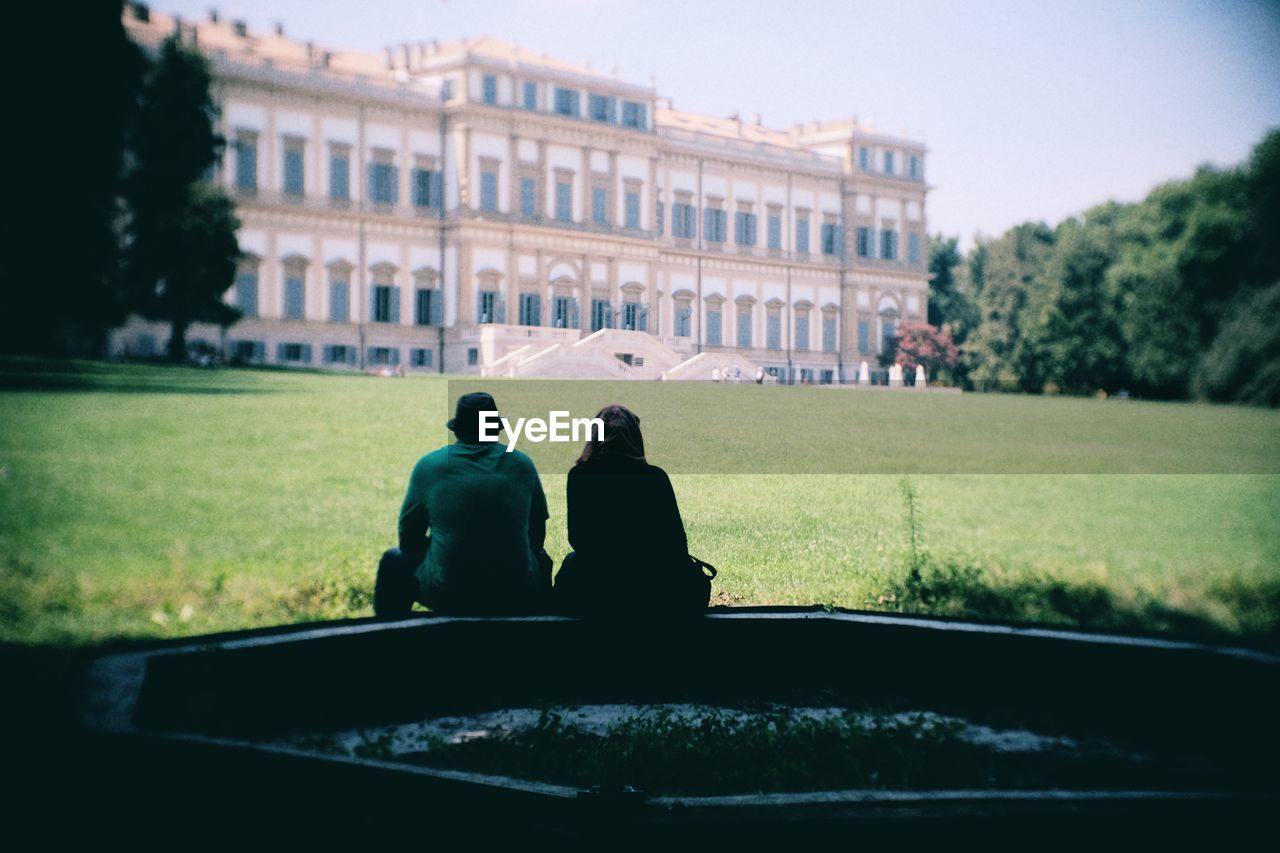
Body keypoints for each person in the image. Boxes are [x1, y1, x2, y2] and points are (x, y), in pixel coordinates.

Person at [374, 391, 553, 617]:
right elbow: (537, 538)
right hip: (514, 591)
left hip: (448, 592)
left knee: (394, 561)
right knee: (543, 560)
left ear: (457, 430)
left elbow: (408, 538)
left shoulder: (430, 466)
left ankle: (388, 641)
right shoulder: (522, 464)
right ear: (495, 428)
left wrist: (449, 544)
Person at [552, 404, 707, 617]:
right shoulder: (655, 477)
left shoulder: (580, 475)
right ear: (635, 438)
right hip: (655, 588)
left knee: (570, 565)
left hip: (598, 587)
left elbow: (578, 539)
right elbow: (676, 542)